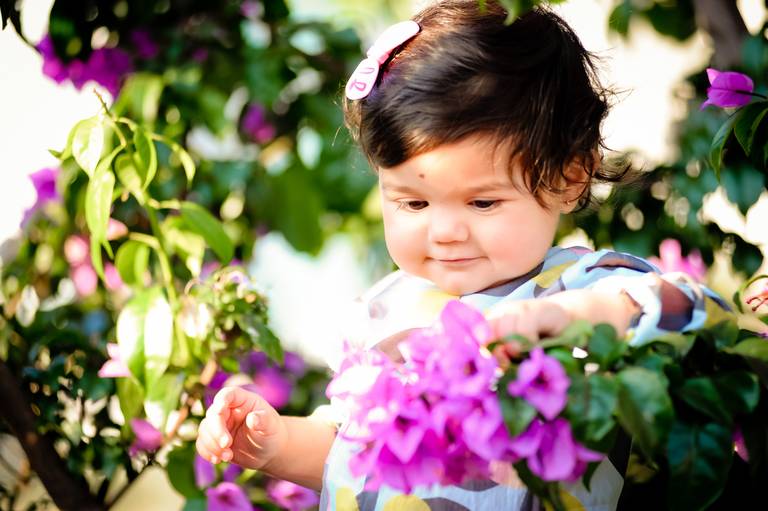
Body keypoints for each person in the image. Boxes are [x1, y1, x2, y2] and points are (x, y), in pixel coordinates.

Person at [196, 2, 729, 509]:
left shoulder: (582, 287)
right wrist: (277, 444)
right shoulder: (380, 311)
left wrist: (592, 318)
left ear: (568, 179)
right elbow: (356, 456)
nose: (445, 231)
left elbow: (698, 310)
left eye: (482, 201)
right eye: (413, 202)